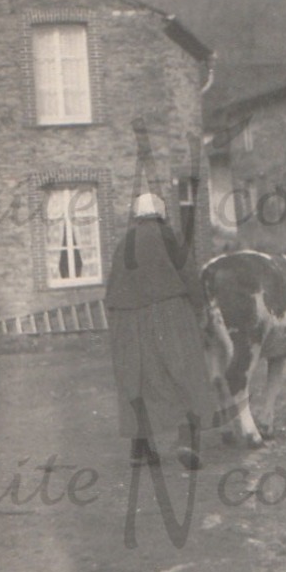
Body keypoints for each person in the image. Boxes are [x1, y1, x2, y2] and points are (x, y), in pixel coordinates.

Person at [105, 189, 219, 470]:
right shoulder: (168, 236)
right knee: (183, 371)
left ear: (136, 216)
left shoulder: (124, 243)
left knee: (137, 379)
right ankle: (186, 441)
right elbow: (188, 274)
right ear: (161, 214)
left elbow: (112, 287)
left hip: (126, 319)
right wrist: (201, 309)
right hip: (167, 313)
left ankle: (140, 449)